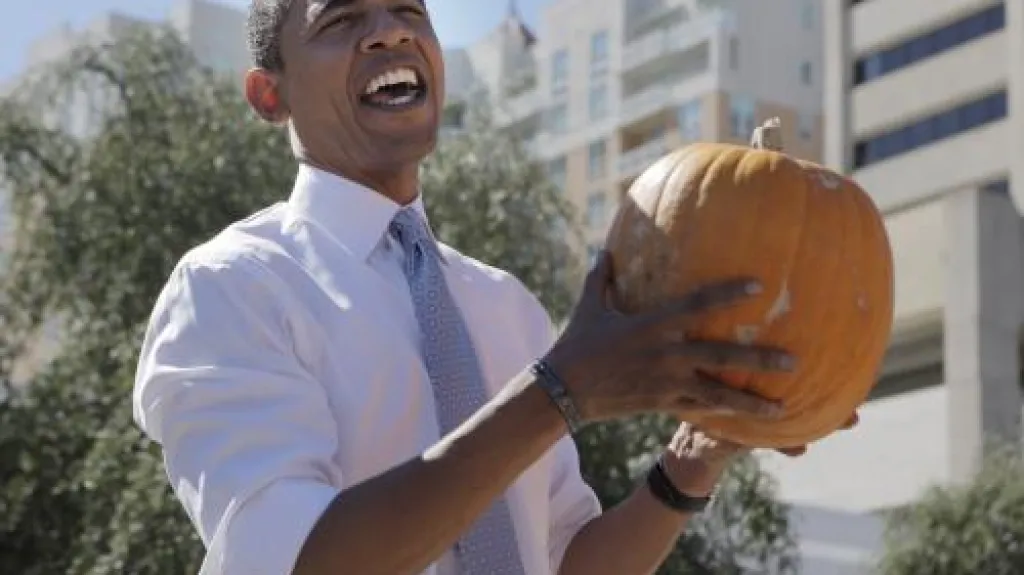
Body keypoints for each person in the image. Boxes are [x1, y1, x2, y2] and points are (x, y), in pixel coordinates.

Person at [132, 1, 856, 574]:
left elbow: (568, 561)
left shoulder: (503, 303)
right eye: (343, 19)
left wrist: (690, 464)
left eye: (410, 12)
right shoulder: (230, 288)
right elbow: (304, 560)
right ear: (268, 93)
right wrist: (560, 392)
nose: (390, 34)